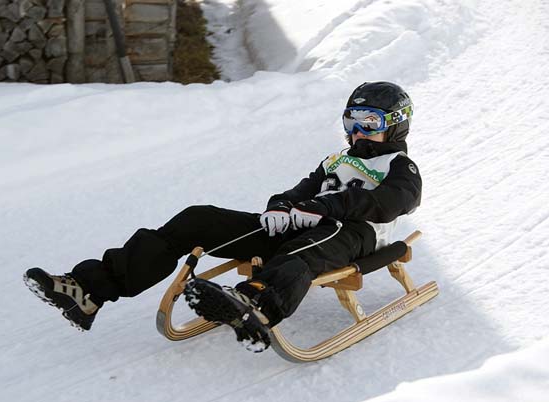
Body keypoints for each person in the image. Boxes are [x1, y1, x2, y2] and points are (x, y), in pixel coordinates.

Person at [24, 81, 421, 353]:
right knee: (198, 220)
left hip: (352, 235)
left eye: (369, 123)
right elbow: (297, 192)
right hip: (306, 223)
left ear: (395, 125)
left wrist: (322, 208)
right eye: (352, 121)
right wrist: (280, 208)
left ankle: (257, 305)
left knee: (304, 250)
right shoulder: (335, 160)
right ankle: (91, 289)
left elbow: (392, 202)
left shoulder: (400, 166)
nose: (358, 131)